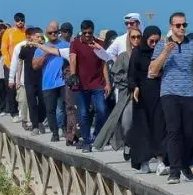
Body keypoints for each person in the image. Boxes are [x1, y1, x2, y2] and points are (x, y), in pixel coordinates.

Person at [149, 12, 193, 183]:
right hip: (169, 93)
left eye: (184, 25)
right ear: (171, 27)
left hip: (188, 93)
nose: (181, 28)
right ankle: (174, 170)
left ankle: (184, 163)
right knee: (174, 131)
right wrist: (165, 52)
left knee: (188, 133)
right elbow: (153, 70)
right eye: (178, 25)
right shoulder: (161, 45)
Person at [95, 25, 140, 153]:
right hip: (126, 94)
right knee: (125, 123)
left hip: (144, 94)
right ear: (129, 39)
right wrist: (131, 82)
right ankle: (127, 142)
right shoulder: (123, 57)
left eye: (138, 37)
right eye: (133, 37)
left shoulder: (146, 56)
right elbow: (117, 74)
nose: (136, 40)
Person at [68, 20, 111, 152]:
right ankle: (86, 141)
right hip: (81, 84)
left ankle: (96, 135)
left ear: (93, 31)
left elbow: (104, 63)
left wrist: (108, 82)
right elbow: (73, 58)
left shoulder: (99, 44)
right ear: (81, 31)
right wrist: (73, 74)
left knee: (102, 110)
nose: (87, 35)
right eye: (85, 32)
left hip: (97, 83)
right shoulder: (75, 43)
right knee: (83, 113)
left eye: (90, 33)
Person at [128, 26, 166, 173]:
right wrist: (134, 87)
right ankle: (143, 161)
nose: (154, 44)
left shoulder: (162, 52)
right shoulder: (137, 52)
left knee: (160, 127)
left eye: (157, 41)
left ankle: (161, 160)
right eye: (151, 41)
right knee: (142, 129)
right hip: (142, 96)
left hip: (159, 94)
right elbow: (132, 74)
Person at [33, 22, 69, 142]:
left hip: (63, 82)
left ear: (59, 32)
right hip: (48, 83)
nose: (53, 34)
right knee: (50, 109)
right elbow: (35, 66)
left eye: (55, 32)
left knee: (64, 107)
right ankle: (55, 133)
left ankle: (65, 128)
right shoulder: (41, 48)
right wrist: (45, 54)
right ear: (46, 34)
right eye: (50, 33)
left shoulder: (65, 45)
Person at [0, 13, 28, 117]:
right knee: (11, 88)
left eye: (22, 20)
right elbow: (3, 49)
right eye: (18, 20)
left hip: (24, 65)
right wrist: (8, 64)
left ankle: (23, 111)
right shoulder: (8, 32)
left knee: (22, 87)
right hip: (10, 64)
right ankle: (13, 112)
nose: (20, 22)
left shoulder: (26, 32)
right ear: (14, 21)